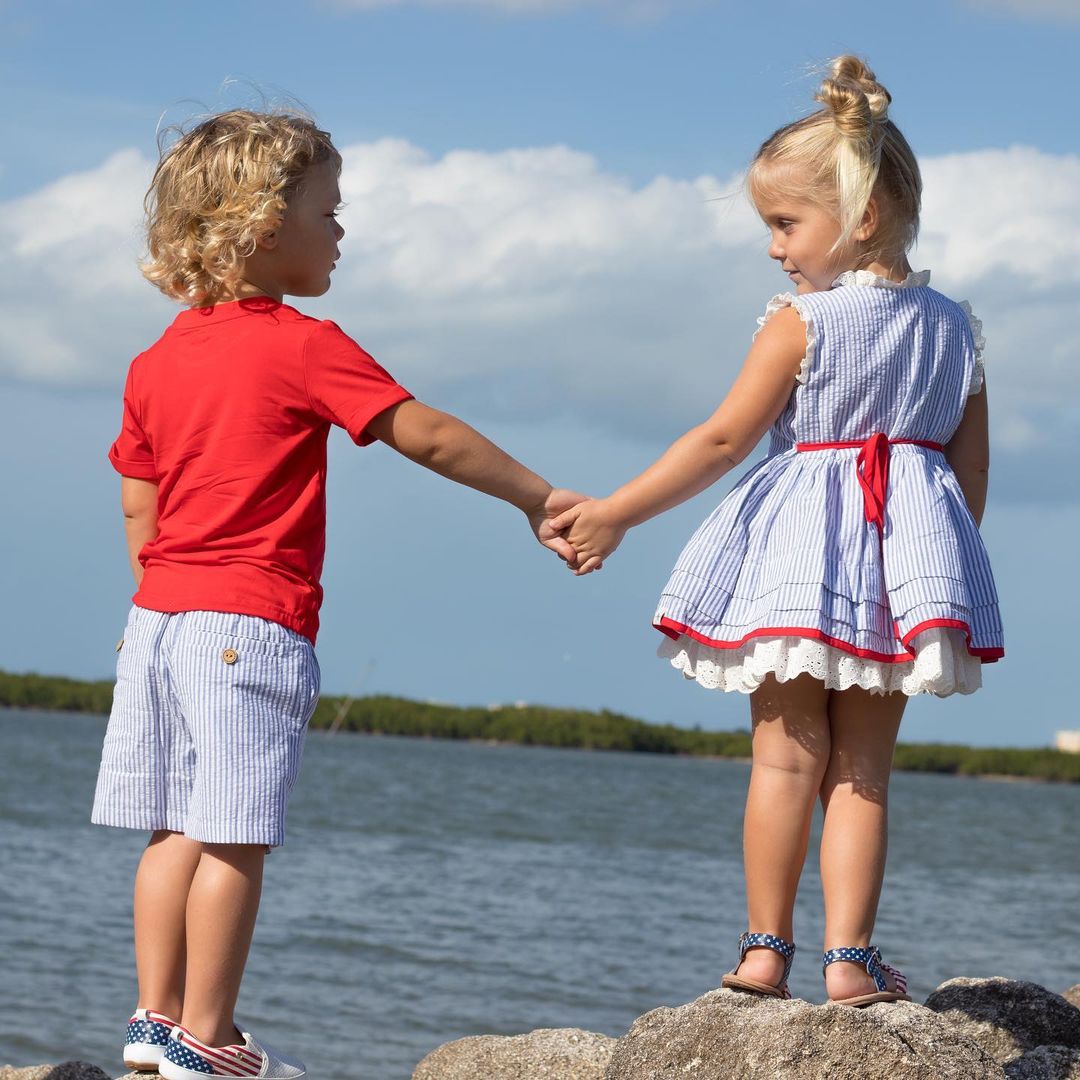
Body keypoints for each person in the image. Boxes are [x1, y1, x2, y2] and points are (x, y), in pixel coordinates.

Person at [91, 109, 582, 1079]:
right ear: (268, 225)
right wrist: (539, 494)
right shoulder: (301, 344)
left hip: (157, 623)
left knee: (172, 829)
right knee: (235, 834)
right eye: (331, 211)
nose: (342, 231)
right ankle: (209, 1036)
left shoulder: (155, 361)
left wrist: (155, 596)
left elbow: (137, 499)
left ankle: (151, 1022)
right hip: (248, 622)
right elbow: (425, 432)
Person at [551, 56, 1003, 1006]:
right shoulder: (957, 331)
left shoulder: (802, 322)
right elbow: (968, 482)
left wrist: (615, 514)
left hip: (801, 564)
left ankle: (765, 951)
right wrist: (937, 581)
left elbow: (722, 440)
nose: (774, 248)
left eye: (785, 223)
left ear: (863, 215)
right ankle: (852, 958)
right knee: (866, 770)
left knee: (785, 756)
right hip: (902, 572)